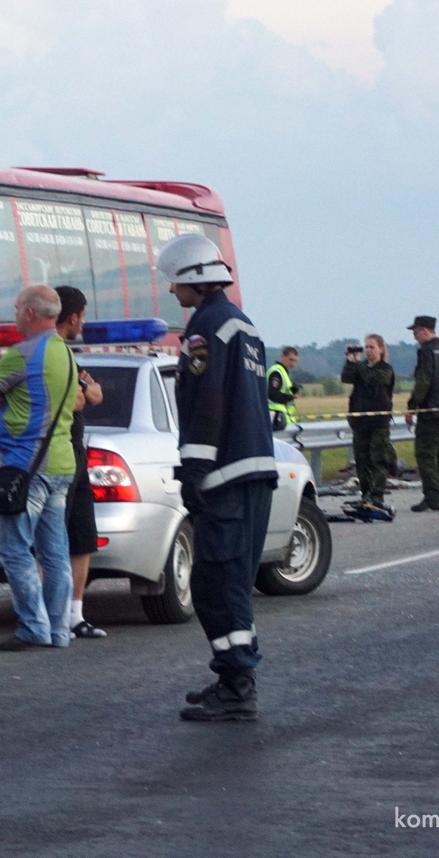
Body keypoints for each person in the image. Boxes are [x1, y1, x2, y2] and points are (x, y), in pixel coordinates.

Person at [156, 233, 280, 723]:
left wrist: (196, 469)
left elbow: (206, 404)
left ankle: (238, 685)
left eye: (174, 282)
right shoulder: (242, 325)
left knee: (217, 580)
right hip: (252, 470)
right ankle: (233, 676)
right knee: (229, 579)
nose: (170, 292)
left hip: (226, 474)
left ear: (193, 279)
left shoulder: (206, 329)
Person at [0, 286, 82, 650]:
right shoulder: (66, 352)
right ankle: (59, 630)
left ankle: (34, 626)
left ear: (31, 313)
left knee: (15, 549)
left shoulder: (23, 354)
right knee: (54, 552)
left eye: (17, 308)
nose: (15, 314)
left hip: (26, 466)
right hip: (62, 463)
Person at [54, 285, 107, 638]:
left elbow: (95, 394)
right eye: (83, 317)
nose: (83, 324)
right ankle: (52, 613)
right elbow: (80, 398)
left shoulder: (69, 356)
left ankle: (75, 614)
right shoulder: (53, 353)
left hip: (76, 455)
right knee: (52, 537)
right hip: (57, 455)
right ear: (73, 317)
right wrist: (85, 391)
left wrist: (86, 391)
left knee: (82, 536)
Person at [404, 316, 439, 513]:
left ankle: (432, 497)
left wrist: (412, 406)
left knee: (425, 454)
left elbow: (423, 381)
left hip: (432, 411)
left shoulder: (427, 352)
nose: (415, 337)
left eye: (416, 333)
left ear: (425, 331)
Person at [341, 335, 394, 520]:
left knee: (377, 459)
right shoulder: (361, 367)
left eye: (372, 347)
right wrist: (350, 361)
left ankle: (377, 495)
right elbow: (346, 378)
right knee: (362, 460)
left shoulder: (385, 369)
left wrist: (359, 364)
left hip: (379, 422)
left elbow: (372, 379)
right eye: (366, 347)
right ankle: (365, 493)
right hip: (360, 422)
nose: (368, 351)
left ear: (381, 349)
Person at [267, 347, 301, 430]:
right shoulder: (277, 372)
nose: (293, 363)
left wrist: (293, 390)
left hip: (282, 418)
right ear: (283, 357)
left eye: (295, 361)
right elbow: (272, 394)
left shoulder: (283, 371)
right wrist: (291, 397)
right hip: (276, 417)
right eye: (290, 360)